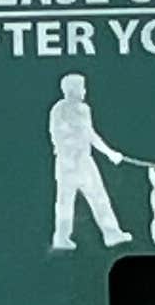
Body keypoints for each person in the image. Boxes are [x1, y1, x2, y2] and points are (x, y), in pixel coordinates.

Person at [47, 73, 129, 250]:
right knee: (92, 199)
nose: (84, 91)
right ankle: (109, 234)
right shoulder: (73, 110)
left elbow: (83, 135)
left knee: (70, 202)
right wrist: (109, 153)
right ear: (74, 90)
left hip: (71, 163)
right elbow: (87, 135)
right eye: (82, 88)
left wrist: (109, 153)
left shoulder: (67, 109)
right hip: (77, 163)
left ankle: (64, 238)